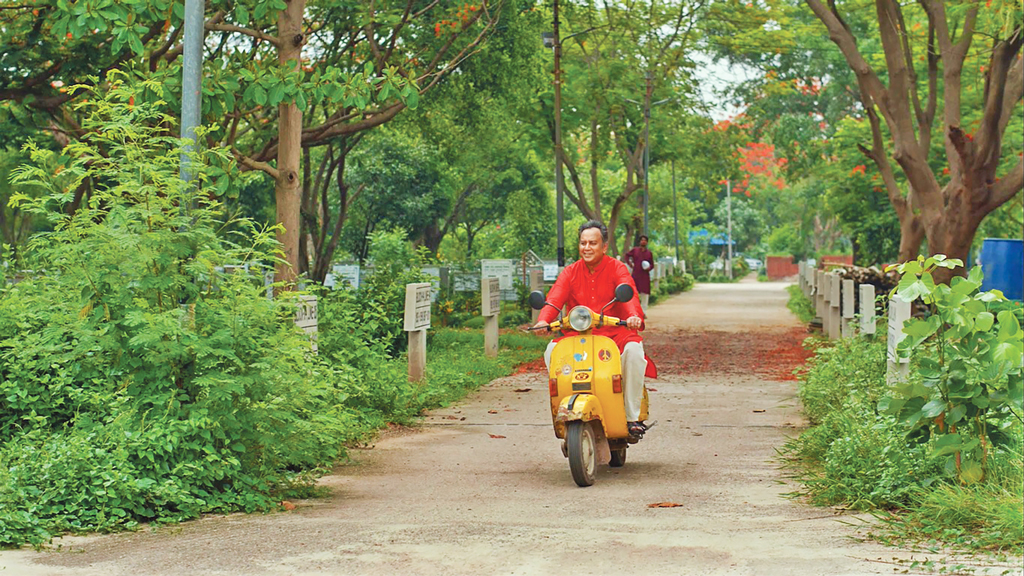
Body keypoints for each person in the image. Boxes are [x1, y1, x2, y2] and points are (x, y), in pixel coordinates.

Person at [532, 220, 656, 437]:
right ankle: (564, 408)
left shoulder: (617, 268)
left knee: (634, 352)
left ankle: (631, 417)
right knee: (551, 350)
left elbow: (629, 294)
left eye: (592, 243)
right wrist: (543, 320)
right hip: (577, 334)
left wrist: (634, 316)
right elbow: (554, 299)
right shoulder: (570, 272)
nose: (587, 248)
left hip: (615, 333)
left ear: (604, 246)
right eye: (583, 243)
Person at [623, 234, 654, 311]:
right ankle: (634, 311)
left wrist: (648, 268)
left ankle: (644, 312)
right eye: (642, 240)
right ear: (639, 241)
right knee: (634, 293)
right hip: (636, 275)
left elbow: (652, 265)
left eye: (645, 240)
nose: (643, 241)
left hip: (645, 276)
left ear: (647, 242)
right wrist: (630, 264)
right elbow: (627, 256)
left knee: (645, 294)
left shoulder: (649, 253)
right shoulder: (635, 250)